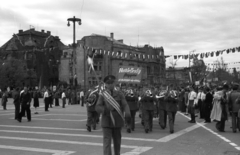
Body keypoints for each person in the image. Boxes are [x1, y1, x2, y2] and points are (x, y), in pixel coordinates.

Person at [95, 75, 131, 155]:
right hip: (107, 122)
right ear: (105, 84)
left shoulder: (119, 93)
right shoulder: (103, 94)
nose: (110, 85)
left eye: (111, 83)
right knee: (107, 144)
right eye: (108, 83)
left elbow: (125, 104)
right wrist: (105, 110)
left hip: (117, 122)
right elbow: (97, 106)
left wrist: (127, 113)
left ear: (114, 83)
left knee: (117, 143)